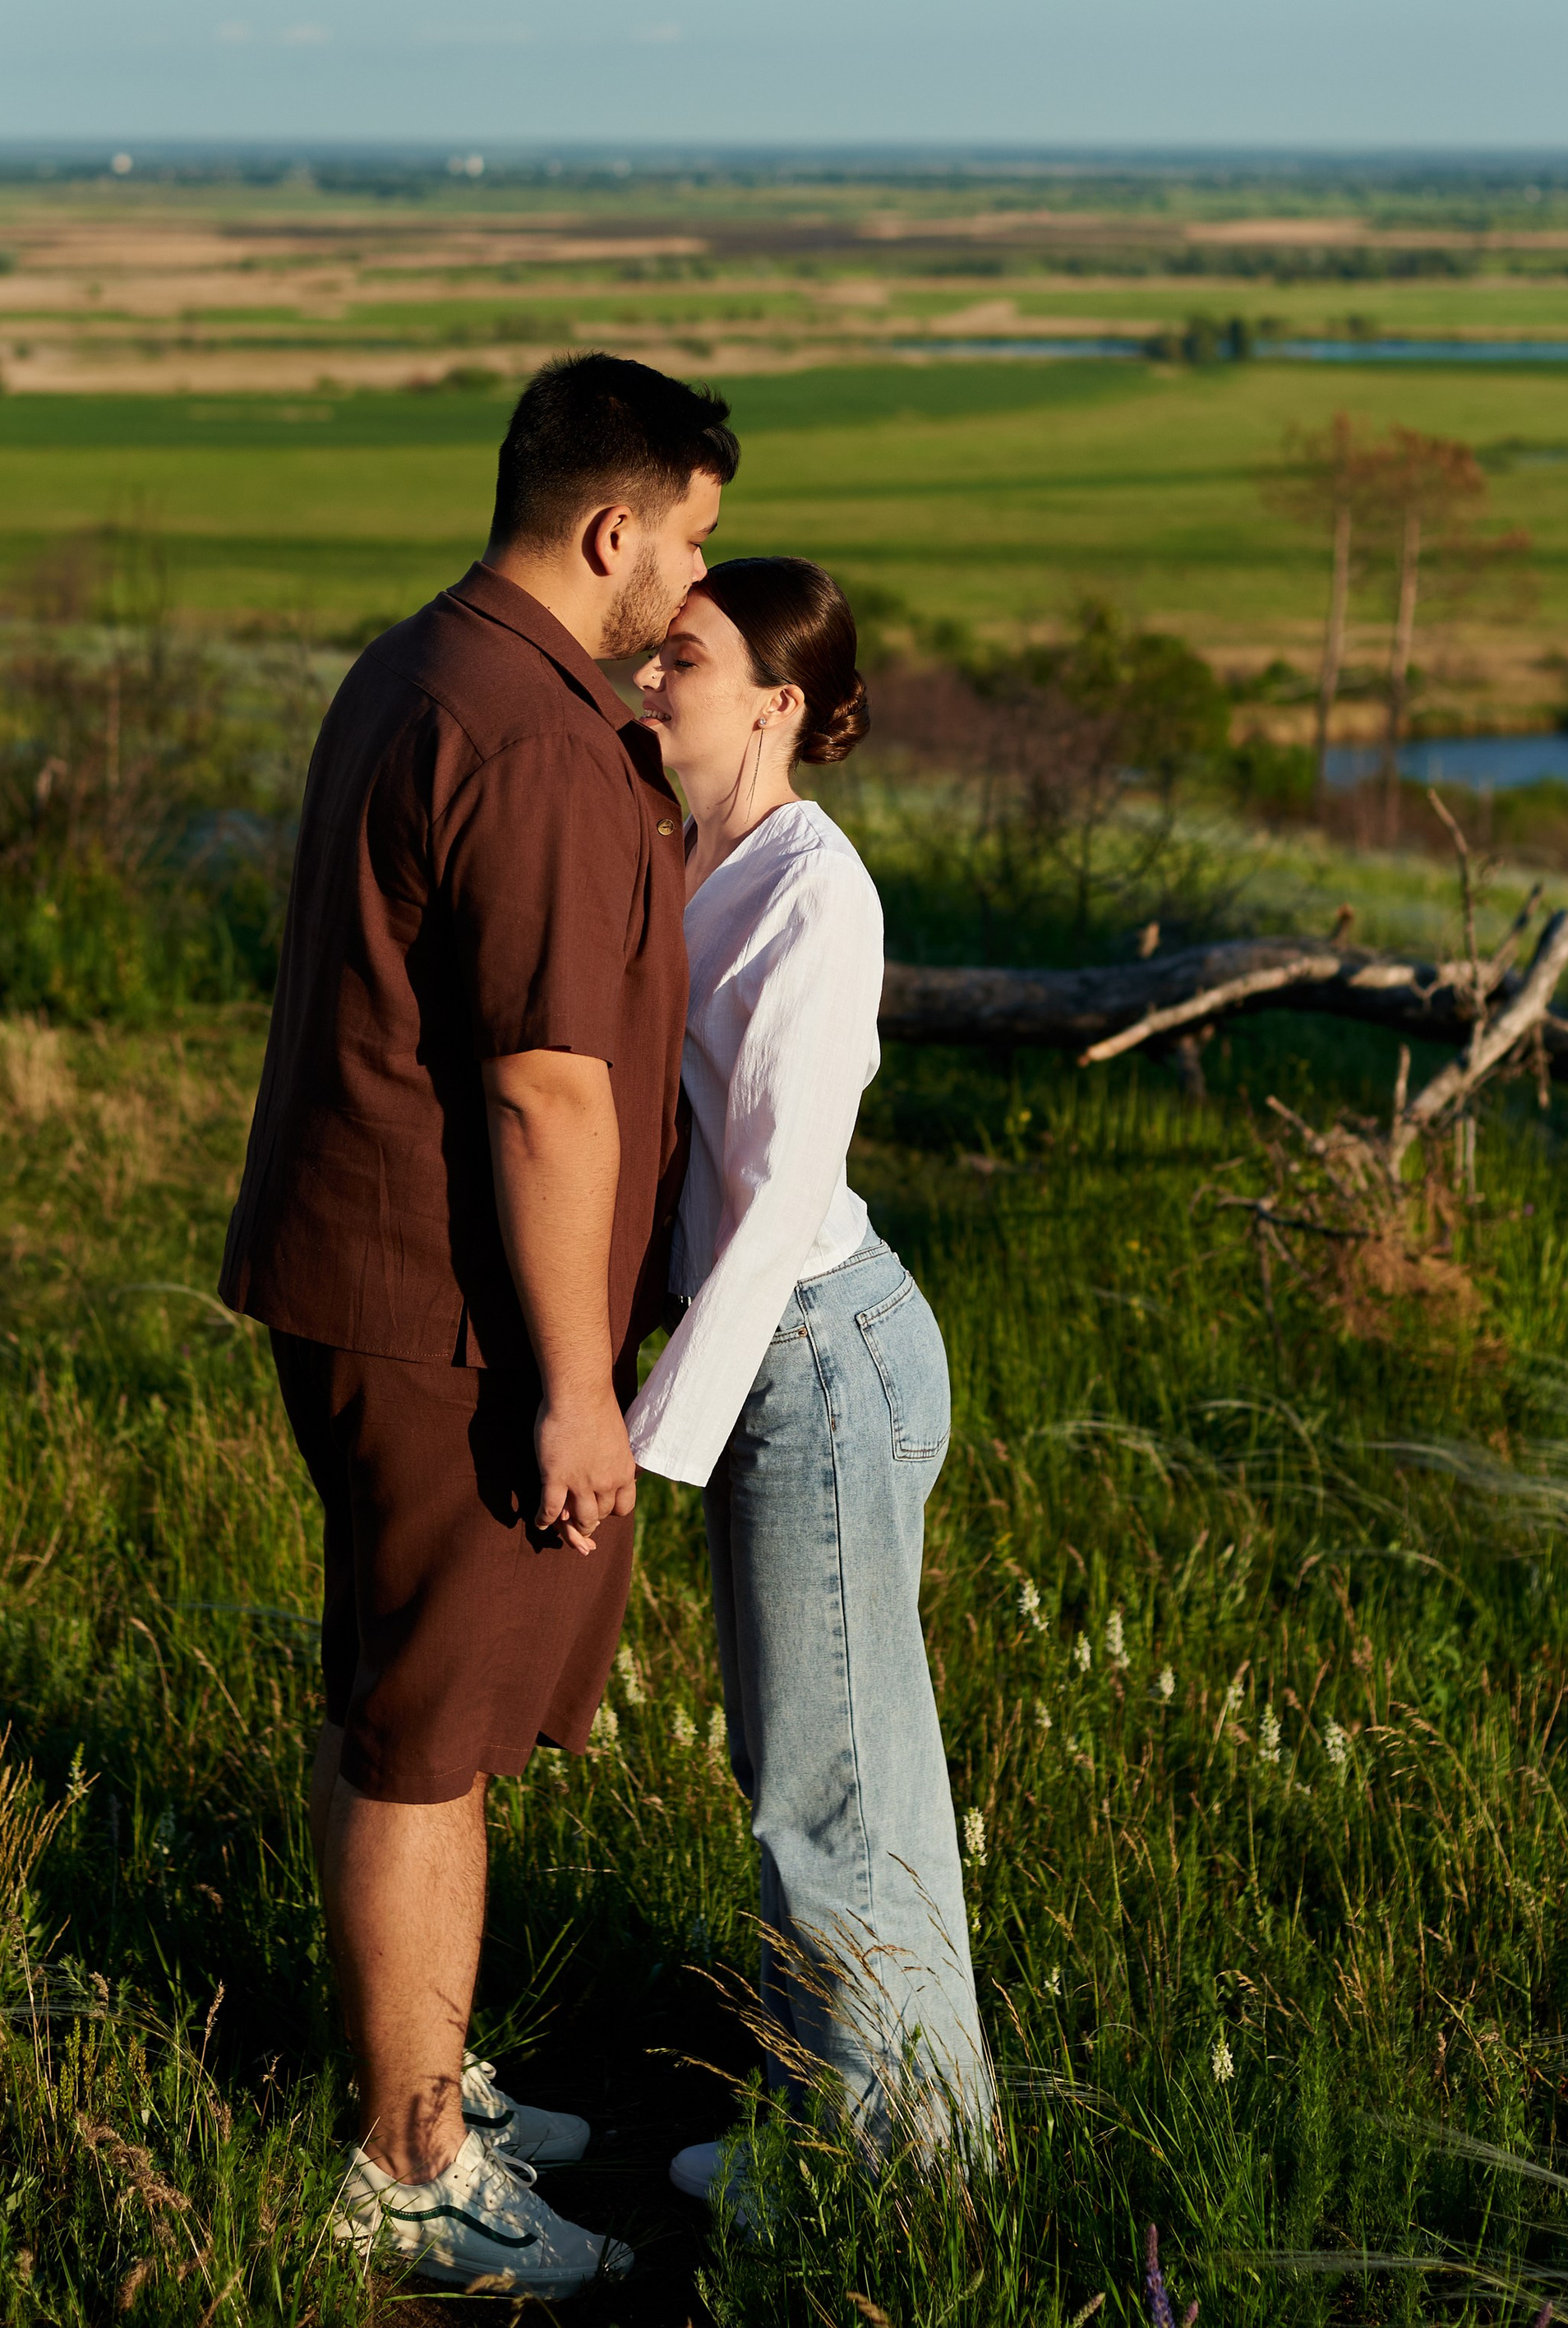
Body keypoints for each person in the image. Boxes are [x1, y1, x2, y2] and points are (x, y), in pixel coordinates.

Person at [219, 352, 738, 2298]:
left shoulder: (418, 664)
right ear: (607, 525)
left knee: (396, 1693)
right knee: (426, 1734)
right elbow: (543, 1094)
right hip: (445, 1315)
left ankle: (424, 2077)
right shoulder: (529, 738)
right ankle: (408, 2164)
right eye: (682, 541)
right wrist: (568, 1382)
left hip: (367, 1280)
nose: (691, 589)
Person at [626, 557, 993, 2201]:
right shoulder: (681, 842)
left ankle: (898, 2178)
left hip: (810, 1342)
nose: (649, 680)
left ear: (776, 701)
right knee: (815, 1768)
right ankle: (837, 2123)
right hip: (777, 1333)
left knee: (830, 1793)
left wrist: (652, 1439)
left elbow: (775, 1194)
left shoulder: (809, 889)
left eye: (681, 660)